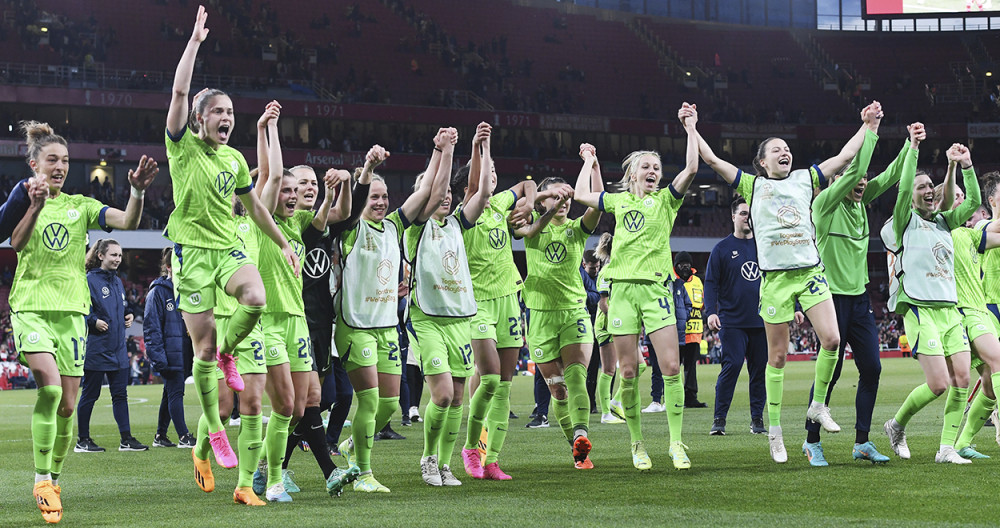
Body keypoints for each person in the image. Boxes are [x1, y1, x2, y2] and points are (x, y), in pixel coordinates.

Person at [691, 101, 880, 463]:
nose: (785, 152)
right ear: (761, 161)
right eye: (776, 149)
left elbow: (844, 156)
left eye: (787, 148)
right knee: (776, 358)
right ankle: (775, 432)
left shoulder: (805, 179)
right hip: (776, 281)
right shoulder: (752, 185)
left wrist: (868, 126)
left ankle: (818, 406)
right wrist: (691, 128)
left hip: (810, 272)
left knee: (833, 339)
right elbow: (713, 160)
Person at [166, 7, 300, 480]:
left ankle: (229, 352)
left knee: (256, 296)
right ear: (199, 118)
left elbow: (257, 208)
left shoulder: (236, 160)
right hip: (191, 254)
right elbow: (181, 89)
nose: (225, 118)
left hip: (227, 250)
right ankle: (214, 433)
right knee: (200, 354)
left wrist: (282, 241)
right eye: (218, 112)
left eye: (229, 113)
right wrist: (195, 42)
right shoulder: (180, 145)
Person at [11, 120, 157, 524]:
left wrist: (138, 190)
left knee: (69, 407)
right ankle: (41, 480)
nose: (59, 166)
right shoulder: (23, 200)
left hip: (72, 314)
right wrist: (36, 205)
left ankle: (54, 478)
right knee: (53, 391)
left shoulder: (83, 206)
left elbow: (128, 221)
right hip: (31, 307)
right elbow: (17, 243)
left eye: (66, 160)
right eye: (52, 160)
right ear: (34, 163)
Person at [570, 105, 699, 470]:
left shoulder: (667, 201)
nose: (653, 172)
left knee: (671, 367)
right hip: (623, 293)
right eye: (646, 167)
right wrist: (588, 160)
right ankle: (637, 445)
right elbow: (581, 195)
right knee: (627, 372)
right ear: (631, 175)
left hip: (656, 291)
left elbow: (691, 168)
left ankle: (676, 443)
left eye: (656, 168)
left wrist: (690, 127)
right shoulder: (618, 200)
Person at [335, 140, 440, 492]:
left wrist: (439, 149)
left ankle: (352, 442)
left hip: (386, 327)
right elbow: (352, 205)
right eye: (372, 196)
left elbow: (426, 191)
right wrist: (366, 169)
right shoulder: (349, 229)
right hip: (355, 326)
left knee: (390, 403)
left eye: (383, 197)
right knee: (367, 399)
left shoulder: (395, 227)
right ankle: (362, 473)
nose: (379, 202)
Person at [804, 108, 900, 466]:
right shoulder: (824, 205)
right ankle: (811, 441)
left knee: (872, 368)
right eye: (850, 178)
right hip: (829, 297)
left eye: (862, 181)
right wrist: (869, 129)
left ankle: (862, 441)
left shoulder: (860, 205)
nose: (860, 183)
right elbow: (856, 171)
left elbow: (888, 177)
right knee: (833, 369)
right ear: (836, 181)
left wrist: (911, 147)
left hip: (859, 299)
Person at [880, 136, 981, 464]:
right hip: (921, 311)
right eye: (920, 186)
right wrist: (913, 148)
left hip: (951, 312)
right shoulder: (903, 221)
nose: (927, 189)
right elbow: (905, 185)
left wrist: (964, 165)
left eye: (930, 185)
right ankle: (896, 425)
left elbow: (973, 202)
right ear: (911, 194)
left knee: (963, 379)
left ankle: (946, 448)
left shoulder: (943, 222)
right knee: (938, 384)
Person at [277, 157, 363, 496]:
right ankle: (296, 470)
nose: (307, 188)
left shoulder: (311, 224)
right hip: (288, 321)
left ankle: (277, 469)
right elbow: (327, 217)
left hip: (317, 323)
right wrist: (332, 191)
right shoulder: (287, 223)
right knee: (307, 402)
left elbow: (343, 215)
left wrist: (346, 184)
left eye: (313, 182)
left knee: (309, 403)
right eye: (301, 184)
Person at [403, 127, 484, 486]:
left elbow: (480, 193)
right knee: (444, 393)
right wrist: (447, 150)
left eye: (451, 191)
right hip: (427, 319)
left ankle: (445, 463)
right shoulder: (416, 227)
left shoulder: (456, 225)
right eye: (441, 190)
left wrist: (480, 147)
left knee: (456, 402)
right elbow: (434, 191)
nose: (446, 196)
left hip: (459, 319)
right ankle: (428, 459)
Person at [457, 122, 537, 481]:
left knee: (504, 385)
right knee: (488, 379)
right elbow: (478, 185)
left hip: (509, 299)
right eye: (486, 173)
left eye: (495, 172)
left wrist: (530, 205)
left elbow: (527, 184)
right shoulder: (467, 214)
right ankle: (472, 448)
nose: (492, 177)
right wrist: (479, 147)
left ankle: (492, 460)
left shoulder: (502, 205)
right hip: (478, 304)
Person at [517, 143, 600, 469]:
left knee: (578, 377)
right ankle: (575, 447)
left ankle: (582, 433)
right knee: (558, 391)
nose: (561, 203)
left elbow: (598, 204)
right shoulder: (530, 227)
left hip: (573, 313)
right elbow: (525, 217)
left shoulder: (576, 230)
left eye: (563, 198)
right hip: (538, 316)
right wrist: (549, 203)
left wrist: (591, 164)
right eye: (553, 197)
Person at [76, 239, 147, 453]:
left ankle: (126, 439)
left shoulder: (117, 281)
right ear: (100, 256)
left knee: (120, 395)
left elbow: (122, 306)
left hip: (117, 348)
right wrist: (93, 321)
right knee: (90, 394)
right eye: (113, 255)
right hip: (97, 347)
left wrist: (128, 314)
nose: (117, 259)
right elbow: (81, 308)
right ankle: (83, 440)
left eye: (119, 255)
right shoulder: (88, 280)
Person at [705, 197, 766, 436]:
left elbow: (781, 278)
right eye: (742, 213)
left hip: (761, 321)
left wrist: (794, 305)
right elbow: (711, 283)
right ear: (733, 217)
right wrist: (711, 312)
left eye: (750, 214)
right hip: (732, 322)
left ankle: (757, 419)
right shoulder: (721, 249)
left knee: (759, 371)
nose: (747, 218)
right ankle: (719, 419)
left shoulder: (763, 246)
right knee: (731, 367)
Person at [952, 199, 1000, 459]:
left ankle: (962, 442)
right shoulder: (981, 227)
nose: (967, 220)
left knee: (989, 387)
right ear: (991, 203)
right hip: (987, 309)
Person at [145, 247, 195, 449]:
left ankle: (160, 435)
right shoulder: (157, 292)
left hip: (183, 353)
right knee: (176, 393)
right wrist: (158, 357)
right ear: (168, 267)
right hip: (169, 353)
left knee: (170, 392)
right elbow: (151, 327)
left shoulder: (186, 291)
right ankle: (184, 435)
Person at [592, 234, 624, 425]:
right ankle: (606, 413)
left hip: (621, 322)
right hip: (608, 324)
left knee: (639, 365)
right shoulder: (606, 272)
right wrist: (617, 322)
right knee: (609, 369)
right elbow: (604, 304)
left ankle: (616, 401)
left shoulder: (620, 268)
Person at [675, 252, 707, 408]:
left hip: (694, 332)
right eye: (682, 264)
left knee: (691, 367)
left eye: (688, 264)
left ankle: (691, 398)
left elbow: (701, 304)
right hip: (676, 333)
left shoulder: (698, 281)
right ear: (676, 266)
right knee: (673, 367)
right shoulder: (672, 281)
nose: (685, 267)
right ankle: (672, 398)